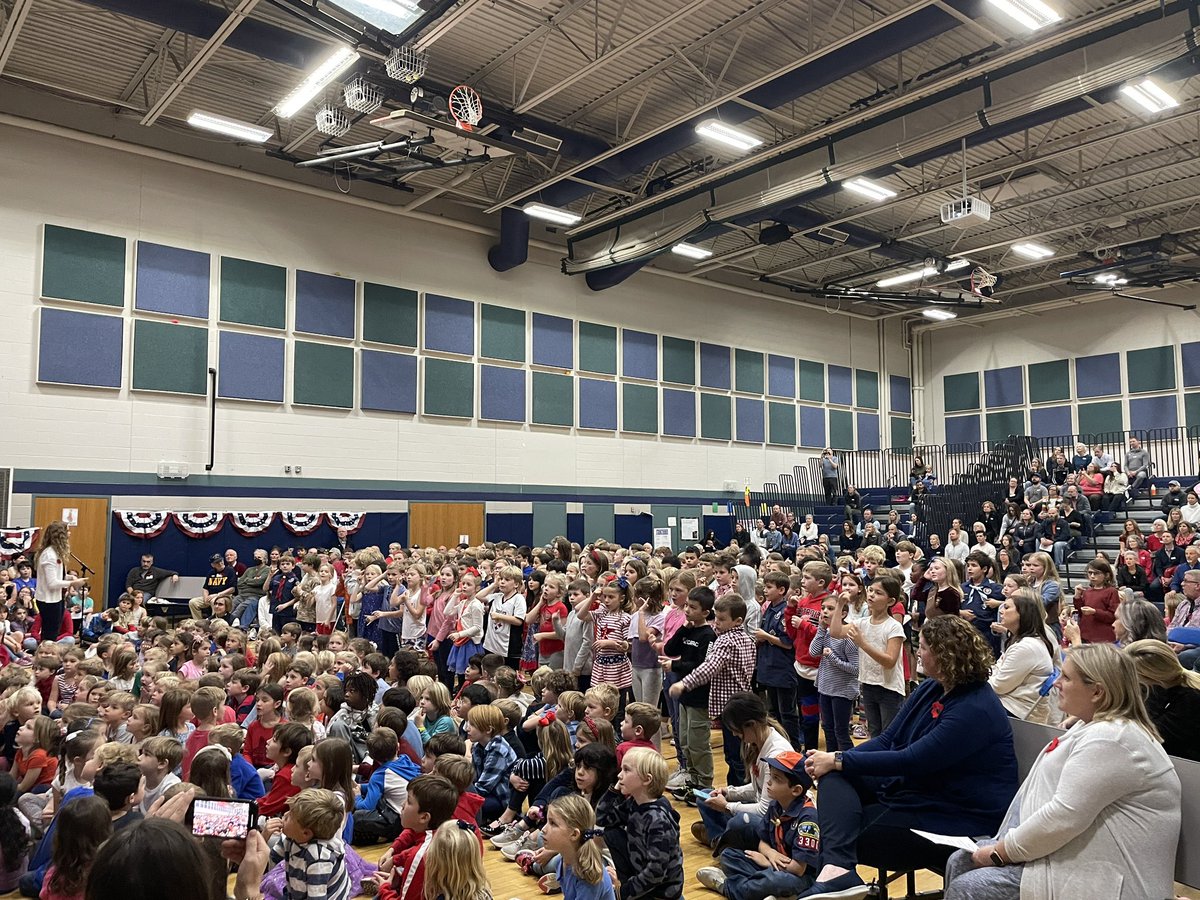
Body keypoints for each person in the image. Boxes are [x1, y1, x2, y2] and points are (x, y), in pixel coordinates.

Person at [798, 616, 1018, 899]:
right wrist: (836, 759)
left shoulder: (975, 708)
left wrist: (839, 758)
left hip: (957, 815)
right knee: (834, 778)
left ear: (945, 656)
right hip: (918, 790)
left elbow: (912, 759)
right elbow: (889, 740)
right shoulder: (933, 687)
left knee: (841, 832)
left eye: (923, 647)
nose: (917, 653)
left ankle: (835, 871)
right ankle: (838, 871)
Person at [942, 644, 1180, 900]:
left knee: (970, 888)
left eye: (1066, 677)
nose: (1056, 683)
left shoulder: (1113, 739)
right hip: (1075, 851)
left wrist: (1001, 851)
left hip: (1105, 874)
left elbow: (1062, 817)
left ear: (1097, 691)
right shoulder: (1094, 728)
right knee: (961, 861)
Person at [988, 590, 1057, 723]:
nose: (1001, 611)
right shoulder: (1020, 640)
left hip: (1018, 710)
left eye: (1007, 607)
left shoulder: (1026, 647)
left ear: (1022, 614)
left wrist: (980, 679)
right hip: (1010, 703)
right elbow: (997, 668)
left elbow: (997, 686)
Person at [34, 522, 86, 644]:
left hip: (56, 598)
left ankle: (48, 655)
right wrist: (73, 583)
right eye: (67, 531)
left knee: (54, 631)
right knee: (49, 633)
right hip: (48, 599)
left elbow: (58, 576)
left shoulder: (56, 553)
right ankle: (46, 658)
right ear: (60, 535)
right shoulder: (49, 555)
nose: (70, 533)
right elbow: (52, 583)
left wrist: (71, 578)